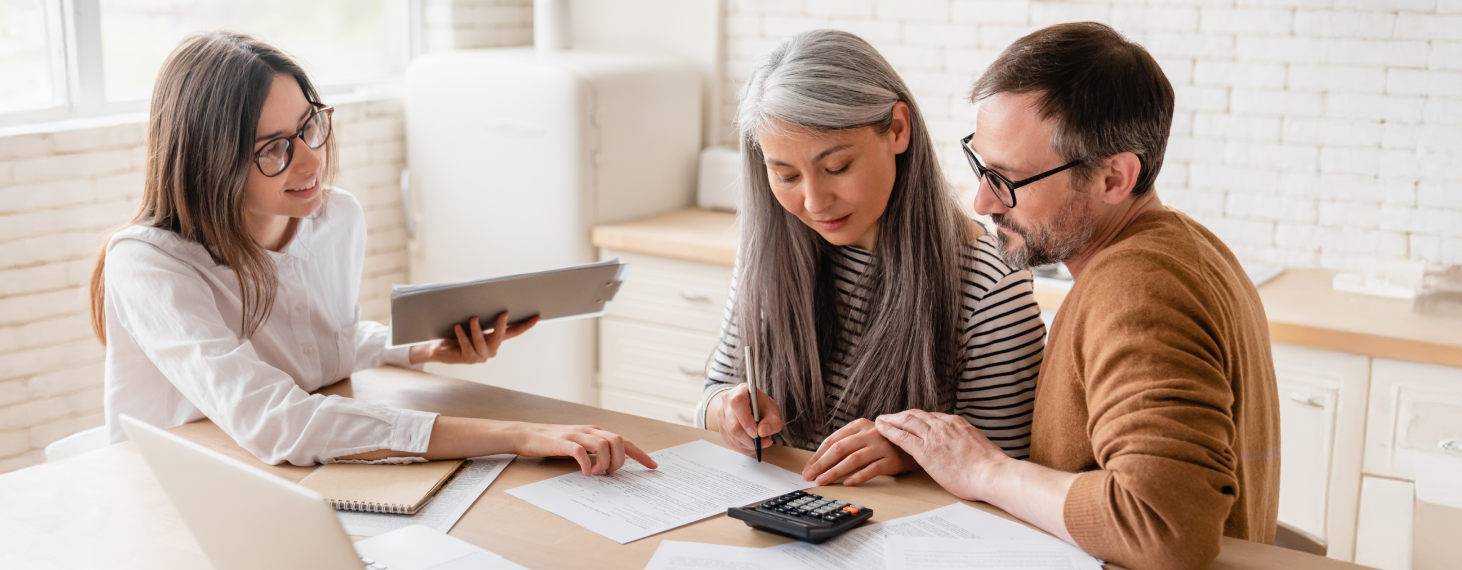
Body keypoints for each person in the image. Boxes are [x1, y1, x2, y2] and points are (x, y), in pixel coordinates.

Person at [90, 31, 655, 477]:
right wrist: (517, 436)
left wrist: (419, 349)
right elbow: (278, 420)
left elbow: (315, 350)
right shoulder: (149, 264)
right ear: (206, 159)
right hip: (175, 484)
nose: (310, 162)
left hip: (285, 476)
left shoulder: (335, 218)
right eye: (275, 150)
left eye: (309, 127)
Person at [874, 23, 1279, 570]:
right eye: (981, 166)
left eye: (1008, 179)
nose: (983, 202)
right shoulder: (1188, 248)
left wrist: (984, 470)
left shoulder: (1138, 289)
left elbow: (1164, 526)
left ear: (1114, 178)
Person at [696, 30, 1046, 488]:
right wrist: (728, 411)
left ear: (898, 129)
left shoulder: (990, 284)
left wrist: (912, 453)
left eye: (836, 167)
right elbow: (711, 395)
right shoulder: (770, 250)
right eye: (785, 175)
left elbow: (1008, 467)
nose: (815, 202)